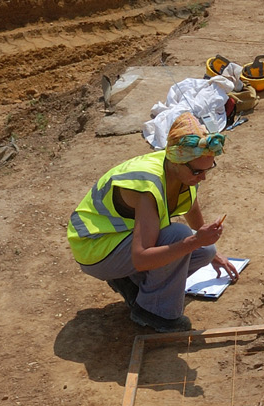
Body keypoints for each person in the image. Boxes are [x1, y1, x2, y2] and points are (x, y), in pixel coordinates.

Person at [64, 111, 236, 333]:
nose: (203, 177)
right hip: (95, 249)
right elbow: (142, 258)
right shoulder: (148, 186)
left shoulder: (181, 171)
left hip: (119, 242)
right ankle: (153, 312)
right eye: (198, 171)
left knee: (205, 251)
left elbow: (191, 205)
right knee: (180, 236)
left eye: (208, 169)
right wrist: (194, 240)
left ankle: (131, 282)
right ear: (176, 160)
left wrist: (205, 245)